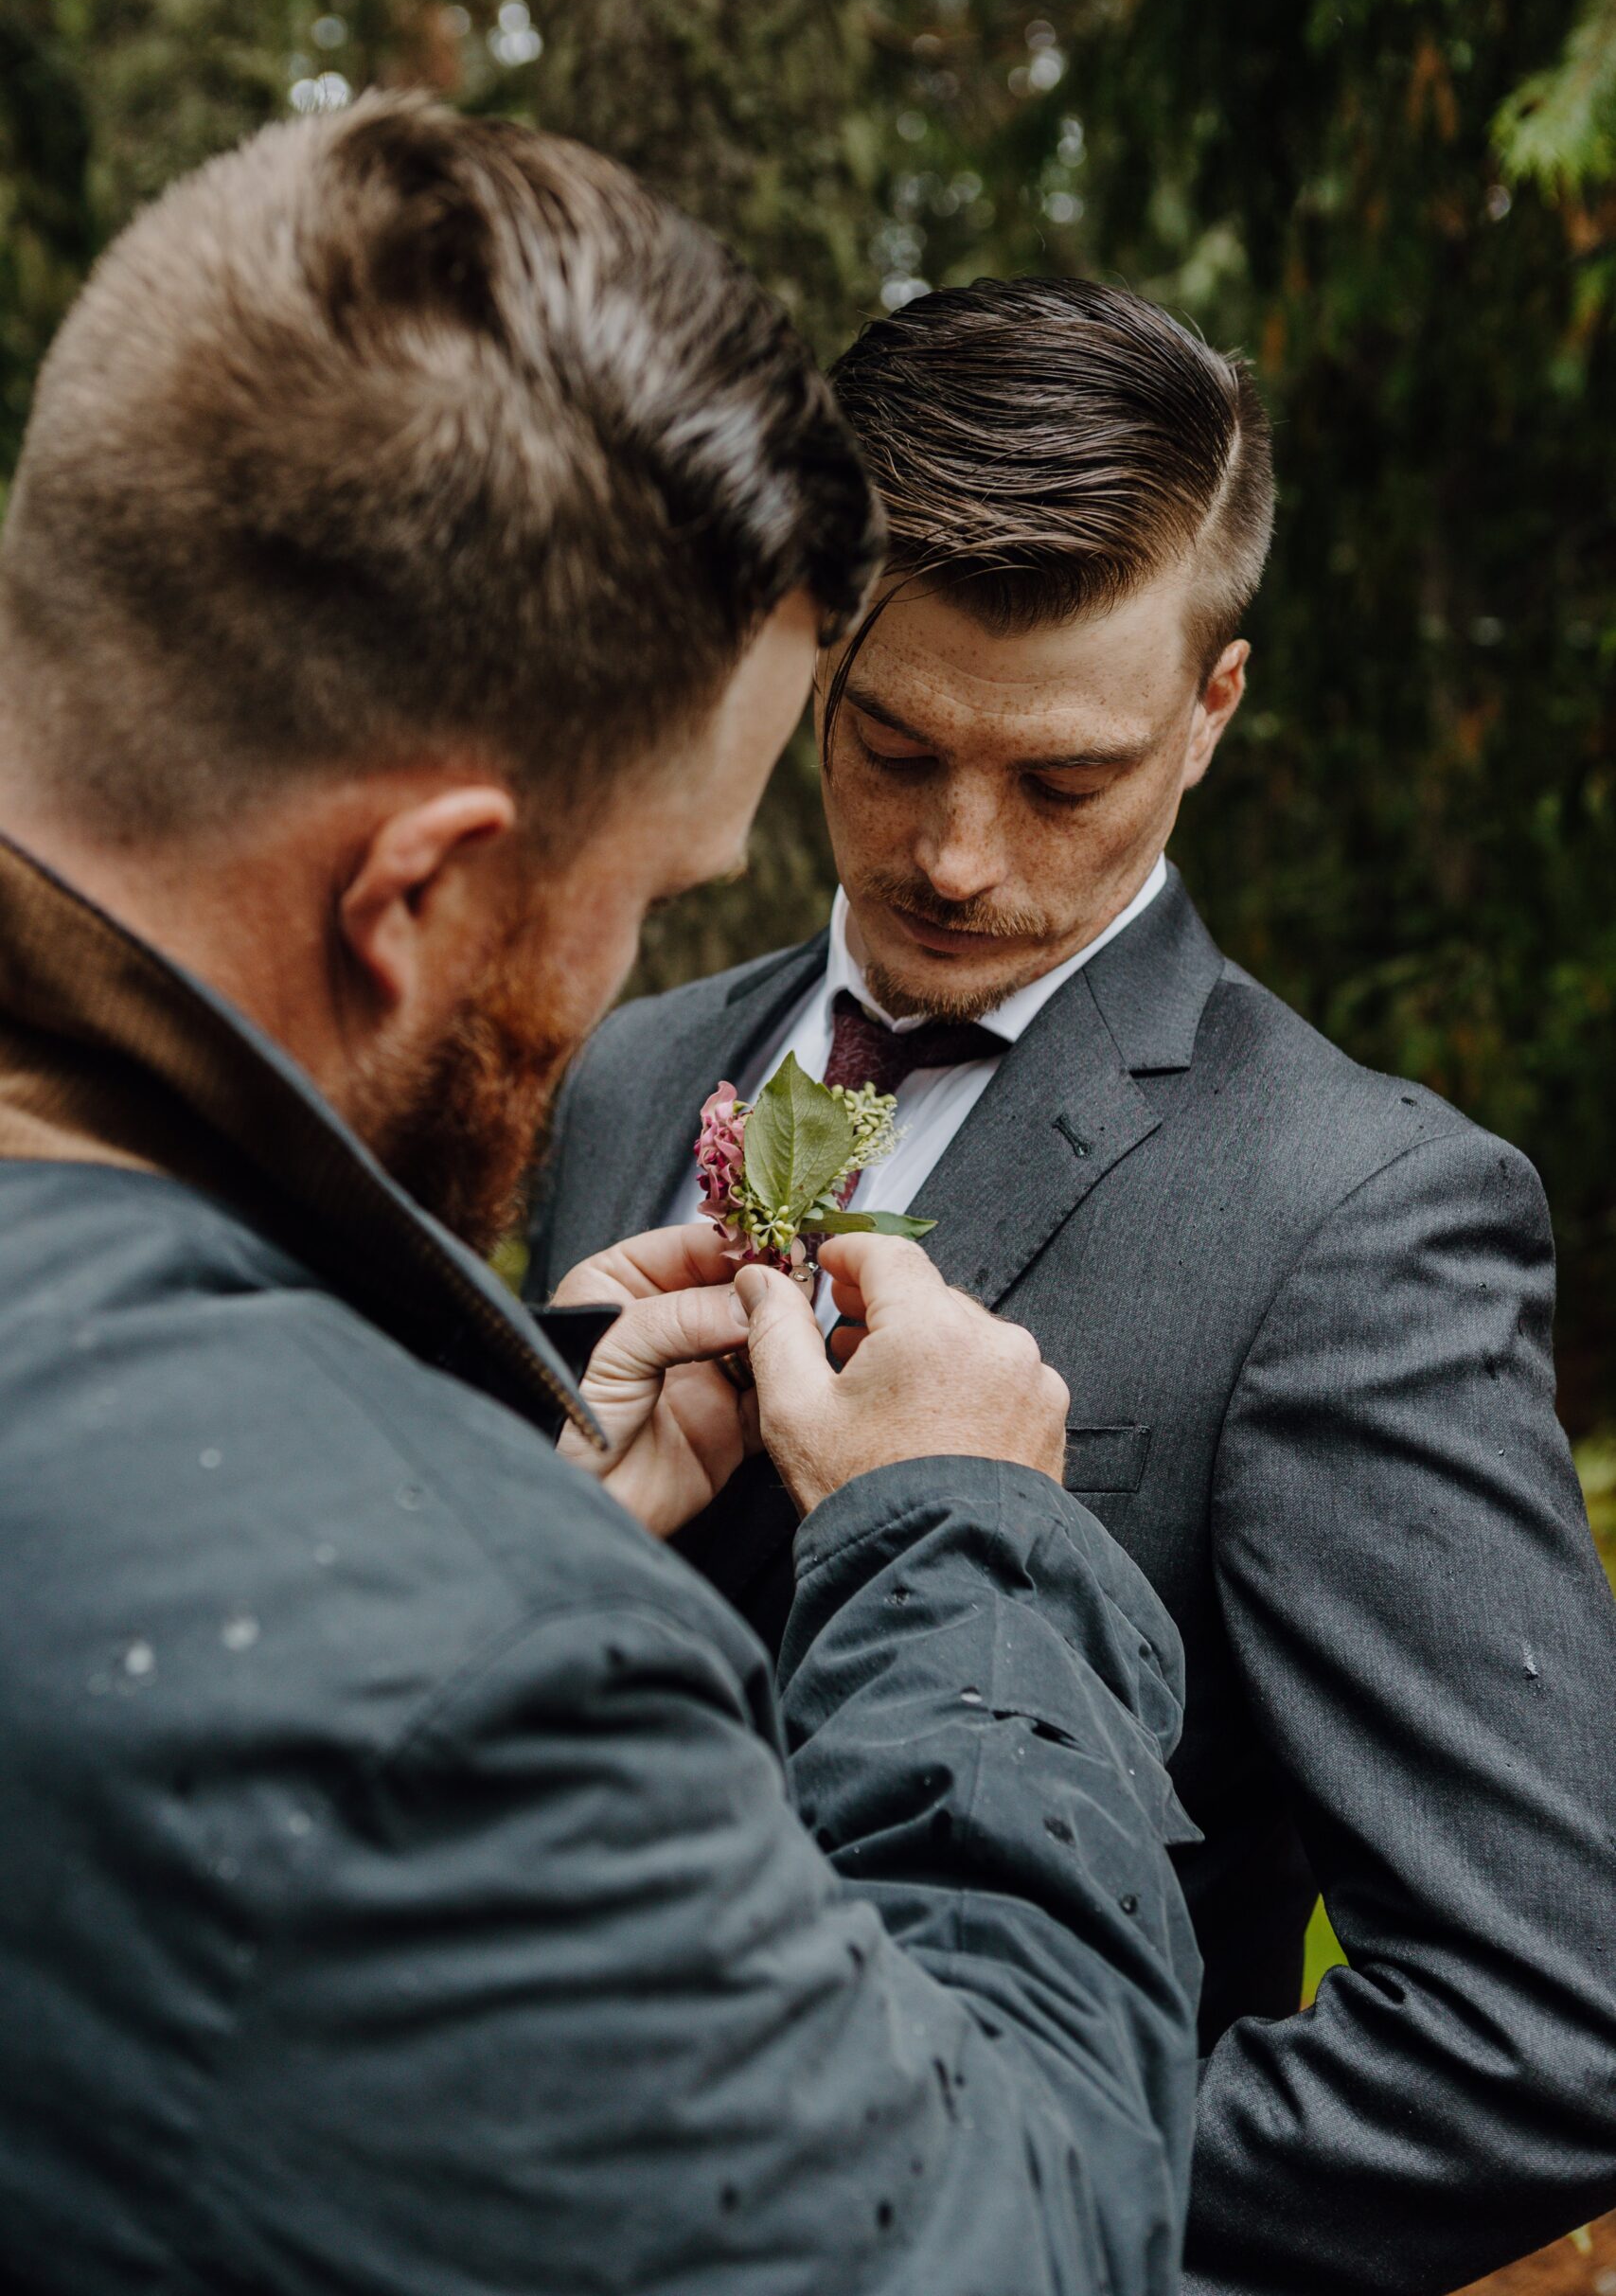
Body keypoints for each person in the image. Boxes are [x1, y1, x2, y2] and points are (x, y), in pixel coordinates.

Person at [0, 106, 1203, 2293]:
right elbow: (1000, 2247)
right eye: (647, 891)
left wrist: (530, 1495)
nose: (650, 976)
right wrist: (969, 1553)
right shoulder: (460, 1689)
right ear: (418, 893)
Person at [530, 277, 1616, 2295]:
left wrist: (972, 2205)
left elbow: (1539, 2023)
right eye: (889, 745)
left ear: (1206, 713)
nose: (951, 856)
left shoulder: (1358, 1215)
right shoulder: (615, 1073)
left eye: (1060, 783)